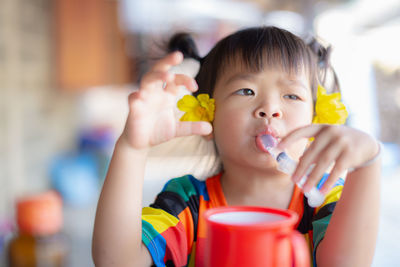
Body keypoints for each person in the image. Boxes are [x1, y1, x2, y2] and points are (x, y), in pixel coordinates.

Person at [92, 26, 381, 267]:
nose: (270, 109)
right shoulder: (188, 203)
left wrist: (368, 162)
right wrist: (131, 149)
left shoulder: (324, 199)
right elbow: (117, 261)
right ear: (207, 113)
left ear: (317, 119)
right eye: (246, 90)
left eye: (291, 96)